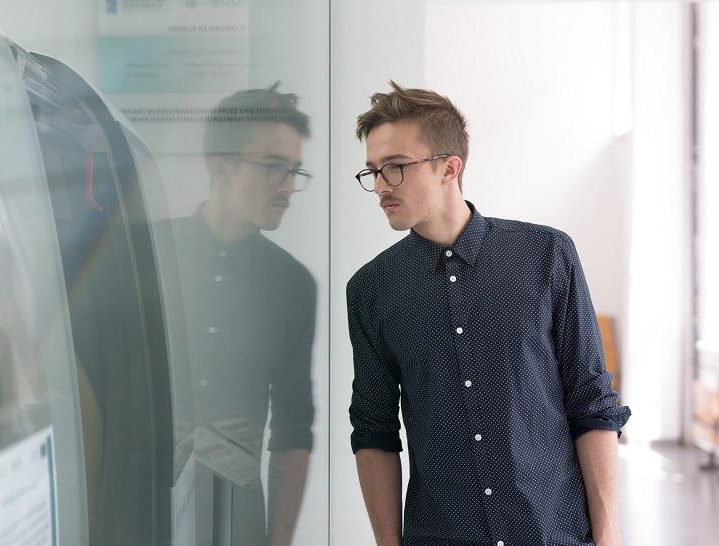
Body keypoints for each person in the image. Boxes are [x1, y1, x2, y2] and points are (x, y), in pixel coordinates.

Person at [347, 81, 631, 546]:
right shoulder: (371, 290)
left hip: (551, 532)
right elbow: (373, 429)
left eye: (395, 168)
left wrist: (609, 538)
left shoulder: (546, 255)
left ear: (448, 168)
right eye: (373, 171)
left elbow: (592, 403)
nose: (379, 186)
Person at [170, 83, 316, 545]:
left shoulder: (292, 282)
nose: (289, 187)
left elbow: (294, 427)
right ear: (224, 167)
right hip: (138, 511)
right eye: (275, 167)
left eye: (295, 171)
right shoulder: (149, 253)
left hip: (238, 522)